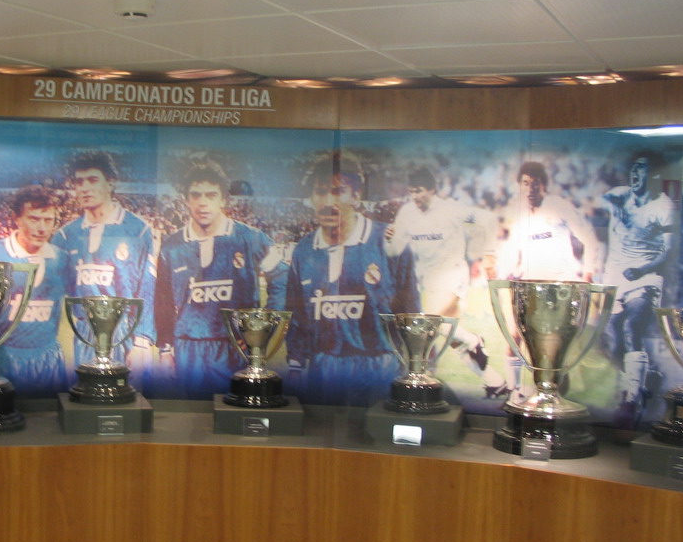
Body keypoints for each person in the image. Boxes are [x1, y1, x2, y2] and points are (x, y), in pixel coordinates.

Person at [285, 151, 420, 407]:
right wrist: (295, 367)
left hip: (379, 366)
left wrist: (413, 365)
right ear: (312, 197)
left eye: (338, 191)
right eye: (321, 191)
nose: (328, 200)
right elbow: (297, 316)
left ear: (356, 195)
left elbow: (411, 308)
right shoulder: (303, 250)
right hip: (322, 366)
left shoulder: (388, 242)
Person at [155, 157, 287, 399]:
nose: (202, 203)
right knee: (193, 418)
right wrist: (165, 348)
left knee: (233, 418)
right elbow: (161, 299)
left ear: (224, 199)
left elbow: (282, 279)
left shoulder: (249, 239)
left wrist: (264, 329)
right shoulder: (171, 246)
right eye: (195, 195)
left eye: (210, 195)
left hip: (234, 346)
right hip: (187, 345)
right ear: (186, 199)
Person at [386, 166, 509, 399]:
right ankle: (495, 382)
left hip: (453, 277)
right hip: (425, 283)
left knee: (427, 326)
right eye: (411, 192)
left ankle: (472, 341)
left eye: (419, 191)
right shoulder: (407, 213)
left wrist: (490, 252)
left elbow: (489, 219)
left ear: (432, 190)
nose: (415, 196)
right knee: (449, 336)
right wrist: (391, 239)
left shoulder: (452, 210)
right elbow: (395, 249)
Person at [495, 160, 600, 396]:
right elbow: (512, 250)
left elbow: (589, 238)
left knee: (551, 350)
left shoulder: (559, 206)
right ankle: (513, 392)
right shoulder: (518, 214)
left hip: (559, 288)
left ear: (544, 185)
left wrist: (589, 271)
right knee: (513, 336)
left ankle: (552, 393)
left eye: (535, 183)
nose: (530, 188)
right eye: (525, 183)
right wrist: (505, 271)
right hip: (528, 286)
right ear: (519, 186)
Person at [53, 150, 156, 375]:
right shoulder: (65, 235)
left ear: (110, 183)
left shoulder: (137, 229)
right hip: (84, 332)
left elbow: (148, 289)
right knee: (87, 397)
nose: (84, 188)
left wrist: (142, 340)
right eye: (79, 182)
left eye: (92, 180)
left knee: (129, 401)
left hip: (125, 331)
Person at [0, 185, 70, 399]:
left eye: (48, 220)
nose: (42, 228)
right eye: (34, 219)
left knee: (50, 423)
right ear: (17, 218)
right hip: (4, 356)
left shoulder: (62, 258)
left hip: (48, 358)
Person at [602, 151, 675, 429]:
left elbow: (668, 250)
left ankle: (630, 400)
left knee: (632, 327)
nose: (634, 174)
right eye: (633, 168)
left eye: (641, 169)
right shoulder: (620, 194)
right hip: (613, 276)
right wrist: (613, 203)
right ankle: (647, 377)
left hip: (645, 277)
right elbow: (603, 197)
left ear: (654, 175)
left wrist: (642, 270)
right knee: (611, 342)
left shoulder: (663, 206)